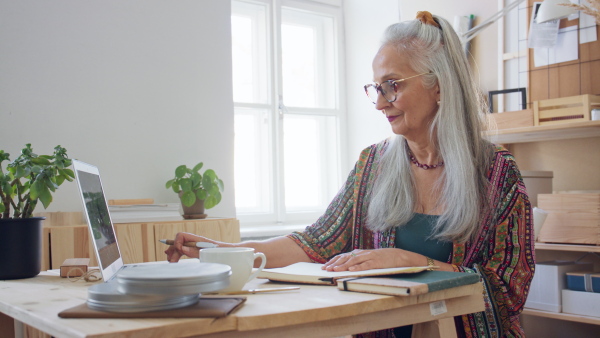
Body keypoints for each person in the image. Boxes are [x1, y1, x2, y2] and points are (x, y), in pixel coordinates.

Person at [166, 11, 535, 337]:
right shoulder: (372, 165)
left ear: (437, 83)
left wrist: (412, 262)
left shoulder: (497, 174)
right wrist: (224, 252)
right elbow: (314, 244)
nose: (379, 102)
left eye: (392, 85)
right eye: (376, 88)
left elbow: (509, 290)